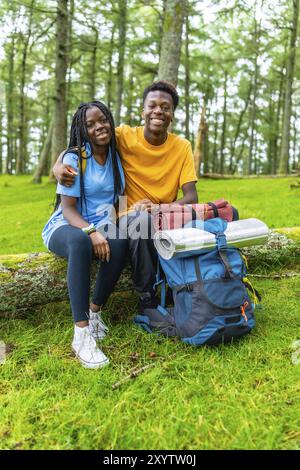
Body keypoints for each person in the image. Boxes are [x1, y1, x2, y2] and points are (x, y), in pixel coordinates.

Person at [53, 81, 198, 315]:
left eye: (165, 107)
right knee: (141, 221)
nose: (158, 110)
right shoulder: (123, 135)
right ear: (143, 111)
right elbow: (84, 139)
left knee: (198, 222)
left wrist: (161, 208)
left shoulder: (182, 147)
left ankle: (188, 286)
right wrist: (58, 164)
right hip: (124, 212)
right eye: (152, 105)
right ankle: (147, 298)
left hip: (164, 212)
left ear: (172, 114)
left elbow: (191, 196)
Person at [42, 101, 127, 369]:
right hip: (66, 226)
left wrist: (117, 225)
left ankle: (94, 312)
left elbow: (118, 201)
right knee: (80, 242)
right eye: (90, 124)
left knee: (122, 238)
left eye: (102, 120)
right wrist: (91, 232)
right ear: (82, 130)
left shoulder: (116, 156)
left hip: (101, 225)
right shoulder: (74, 158)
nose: (99, 126)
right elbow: (67, 210)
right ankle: (81, 334)